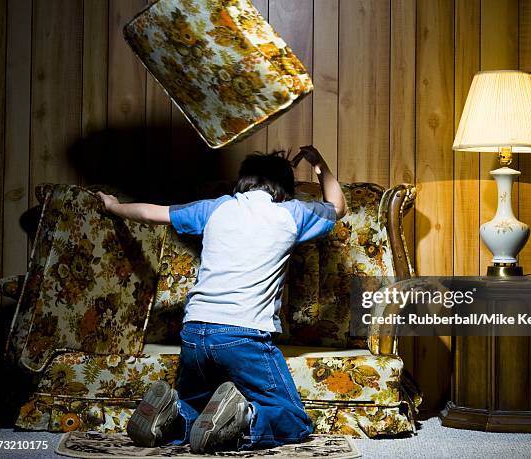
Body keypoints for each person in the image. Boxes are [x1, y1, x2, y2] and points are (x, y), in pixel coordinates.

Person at [98, 146, 347, 453]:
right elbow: (337, 207)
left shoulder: (215, 207)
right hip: (242, 335)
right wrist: (319, 164)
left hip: (194, 333)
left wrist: (114, 206)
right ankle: (245, 418)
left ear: (243, 182)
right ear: (284, 189)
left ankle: (171, 419)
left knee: (196, 407)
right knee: (294, 419)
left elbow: (151, 212)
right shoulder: (293, 212)